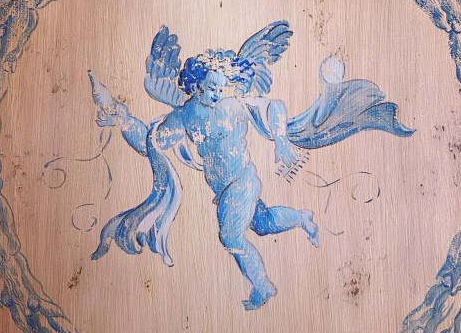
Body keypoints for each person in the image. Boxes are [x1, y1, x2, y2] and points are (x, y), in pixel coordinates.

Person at [97, 51, 319, 310]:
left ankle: (263, 287)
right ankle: (302, 218)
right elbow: (151, 143)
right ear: (197, 84)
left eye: (222, 88)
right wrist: (124, 120)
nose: (217, 94)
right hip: (224, 190)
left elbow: (274, 107)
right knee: (263, 222)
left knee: (232, 238)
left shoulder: (232, 105)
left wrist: (280, 139)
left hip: (242, 181)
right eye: (213, 88)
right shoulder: (186, 116)